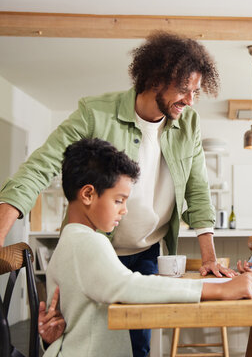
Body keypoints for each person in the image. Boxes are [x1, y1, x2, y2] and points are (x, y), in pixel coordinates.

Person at [0, 31, 235, 356]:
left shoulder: (188, 123)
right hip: (101, 249)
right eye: (185, 90)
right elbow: (42, 164)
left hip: (149, 249)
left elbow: (197, 189)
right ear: (155, 79)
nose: (191, 100)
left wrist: (209, 257)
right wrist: (1, 230)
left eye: (196, 91)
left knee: (136, 343)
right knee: (81, 333)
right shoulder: (95, 113)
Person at [43, 138, 252, 357]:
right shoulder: (88, 242)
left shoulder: (71, 241)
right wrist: (220, 289)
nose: (124, 210)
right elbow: (129, 285)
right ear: (88, 194)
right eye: (119, 200)